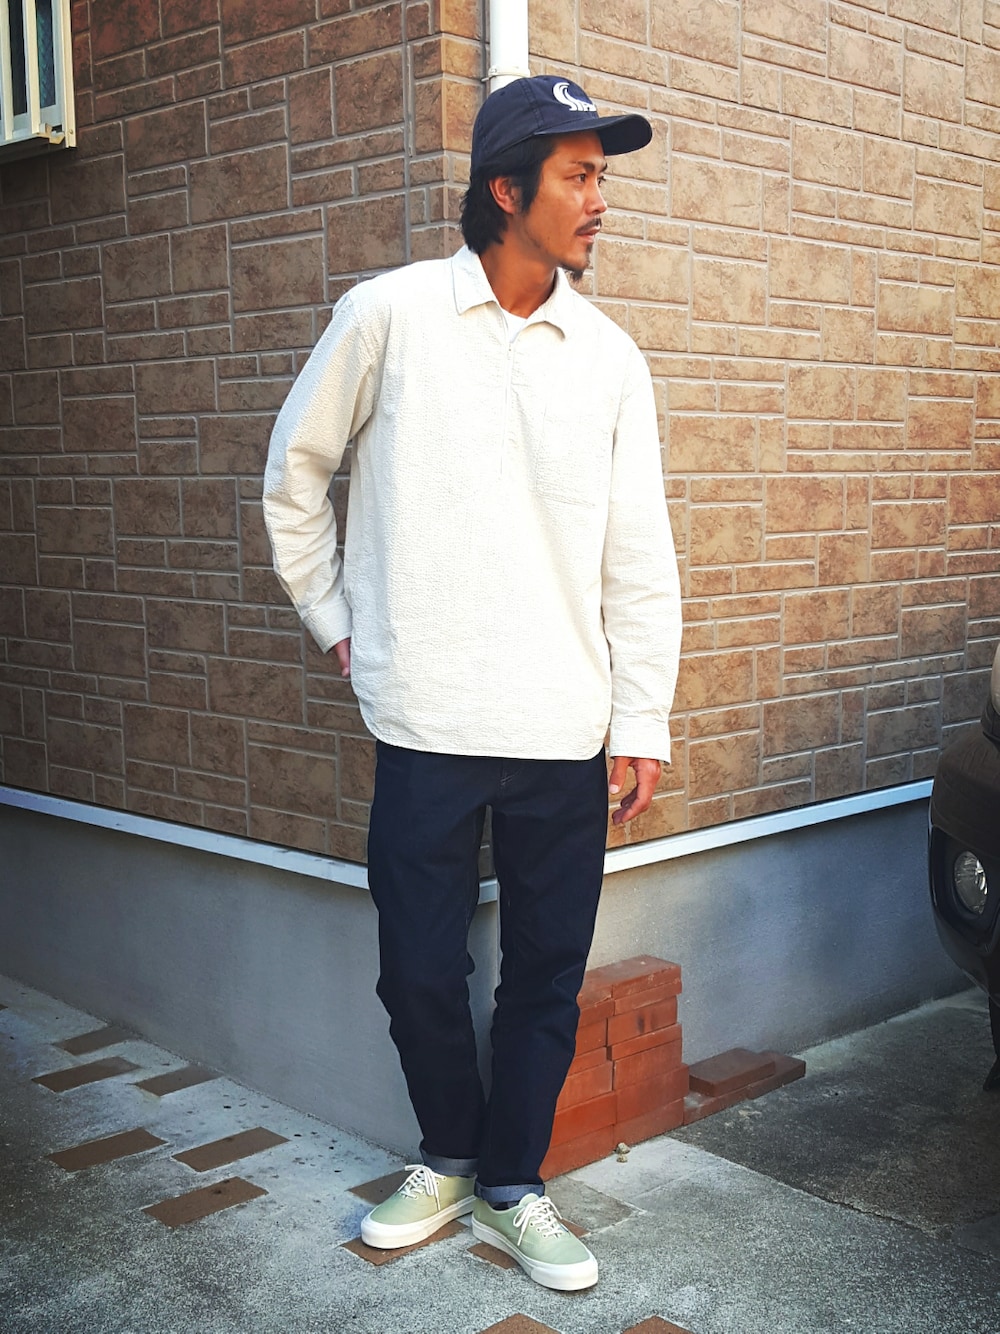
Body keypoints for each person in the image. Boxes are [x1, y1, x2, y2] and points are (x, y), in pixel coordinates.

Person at [263, 73, 682, 1292]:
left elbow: (639, 554)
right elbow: (294, 477)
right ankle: (447, 1152)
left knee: (544, 974)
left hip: (564, 726)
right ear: (507, 189)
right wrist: (337, 622)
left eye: (601, 176)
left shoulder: (610, 360)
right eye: (578, 176)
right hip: (426, 718)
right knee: (417, 966)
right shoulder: (387, 317)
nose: (599, 199)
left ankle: (512, 1180)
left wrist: (641, 717)